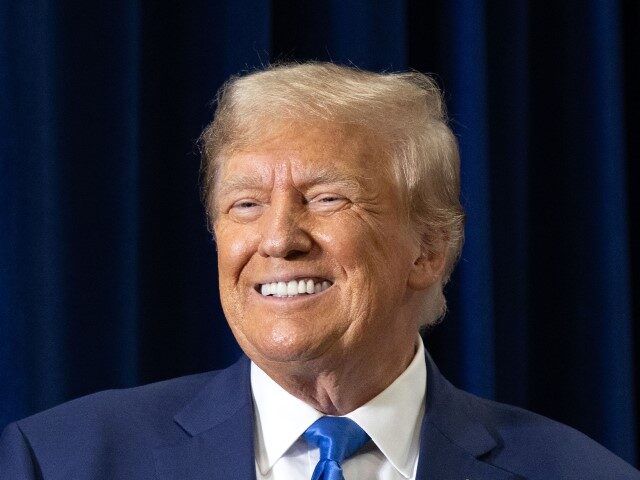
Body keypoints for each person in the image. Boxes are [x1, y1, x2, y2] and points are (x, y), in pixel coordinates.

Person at [1, 62, 638, 480]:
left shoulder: (581, 474)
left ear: (430, 248)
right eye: (245, 204)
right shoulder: (61, 461)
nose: (278, 238)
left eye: (326, 198)